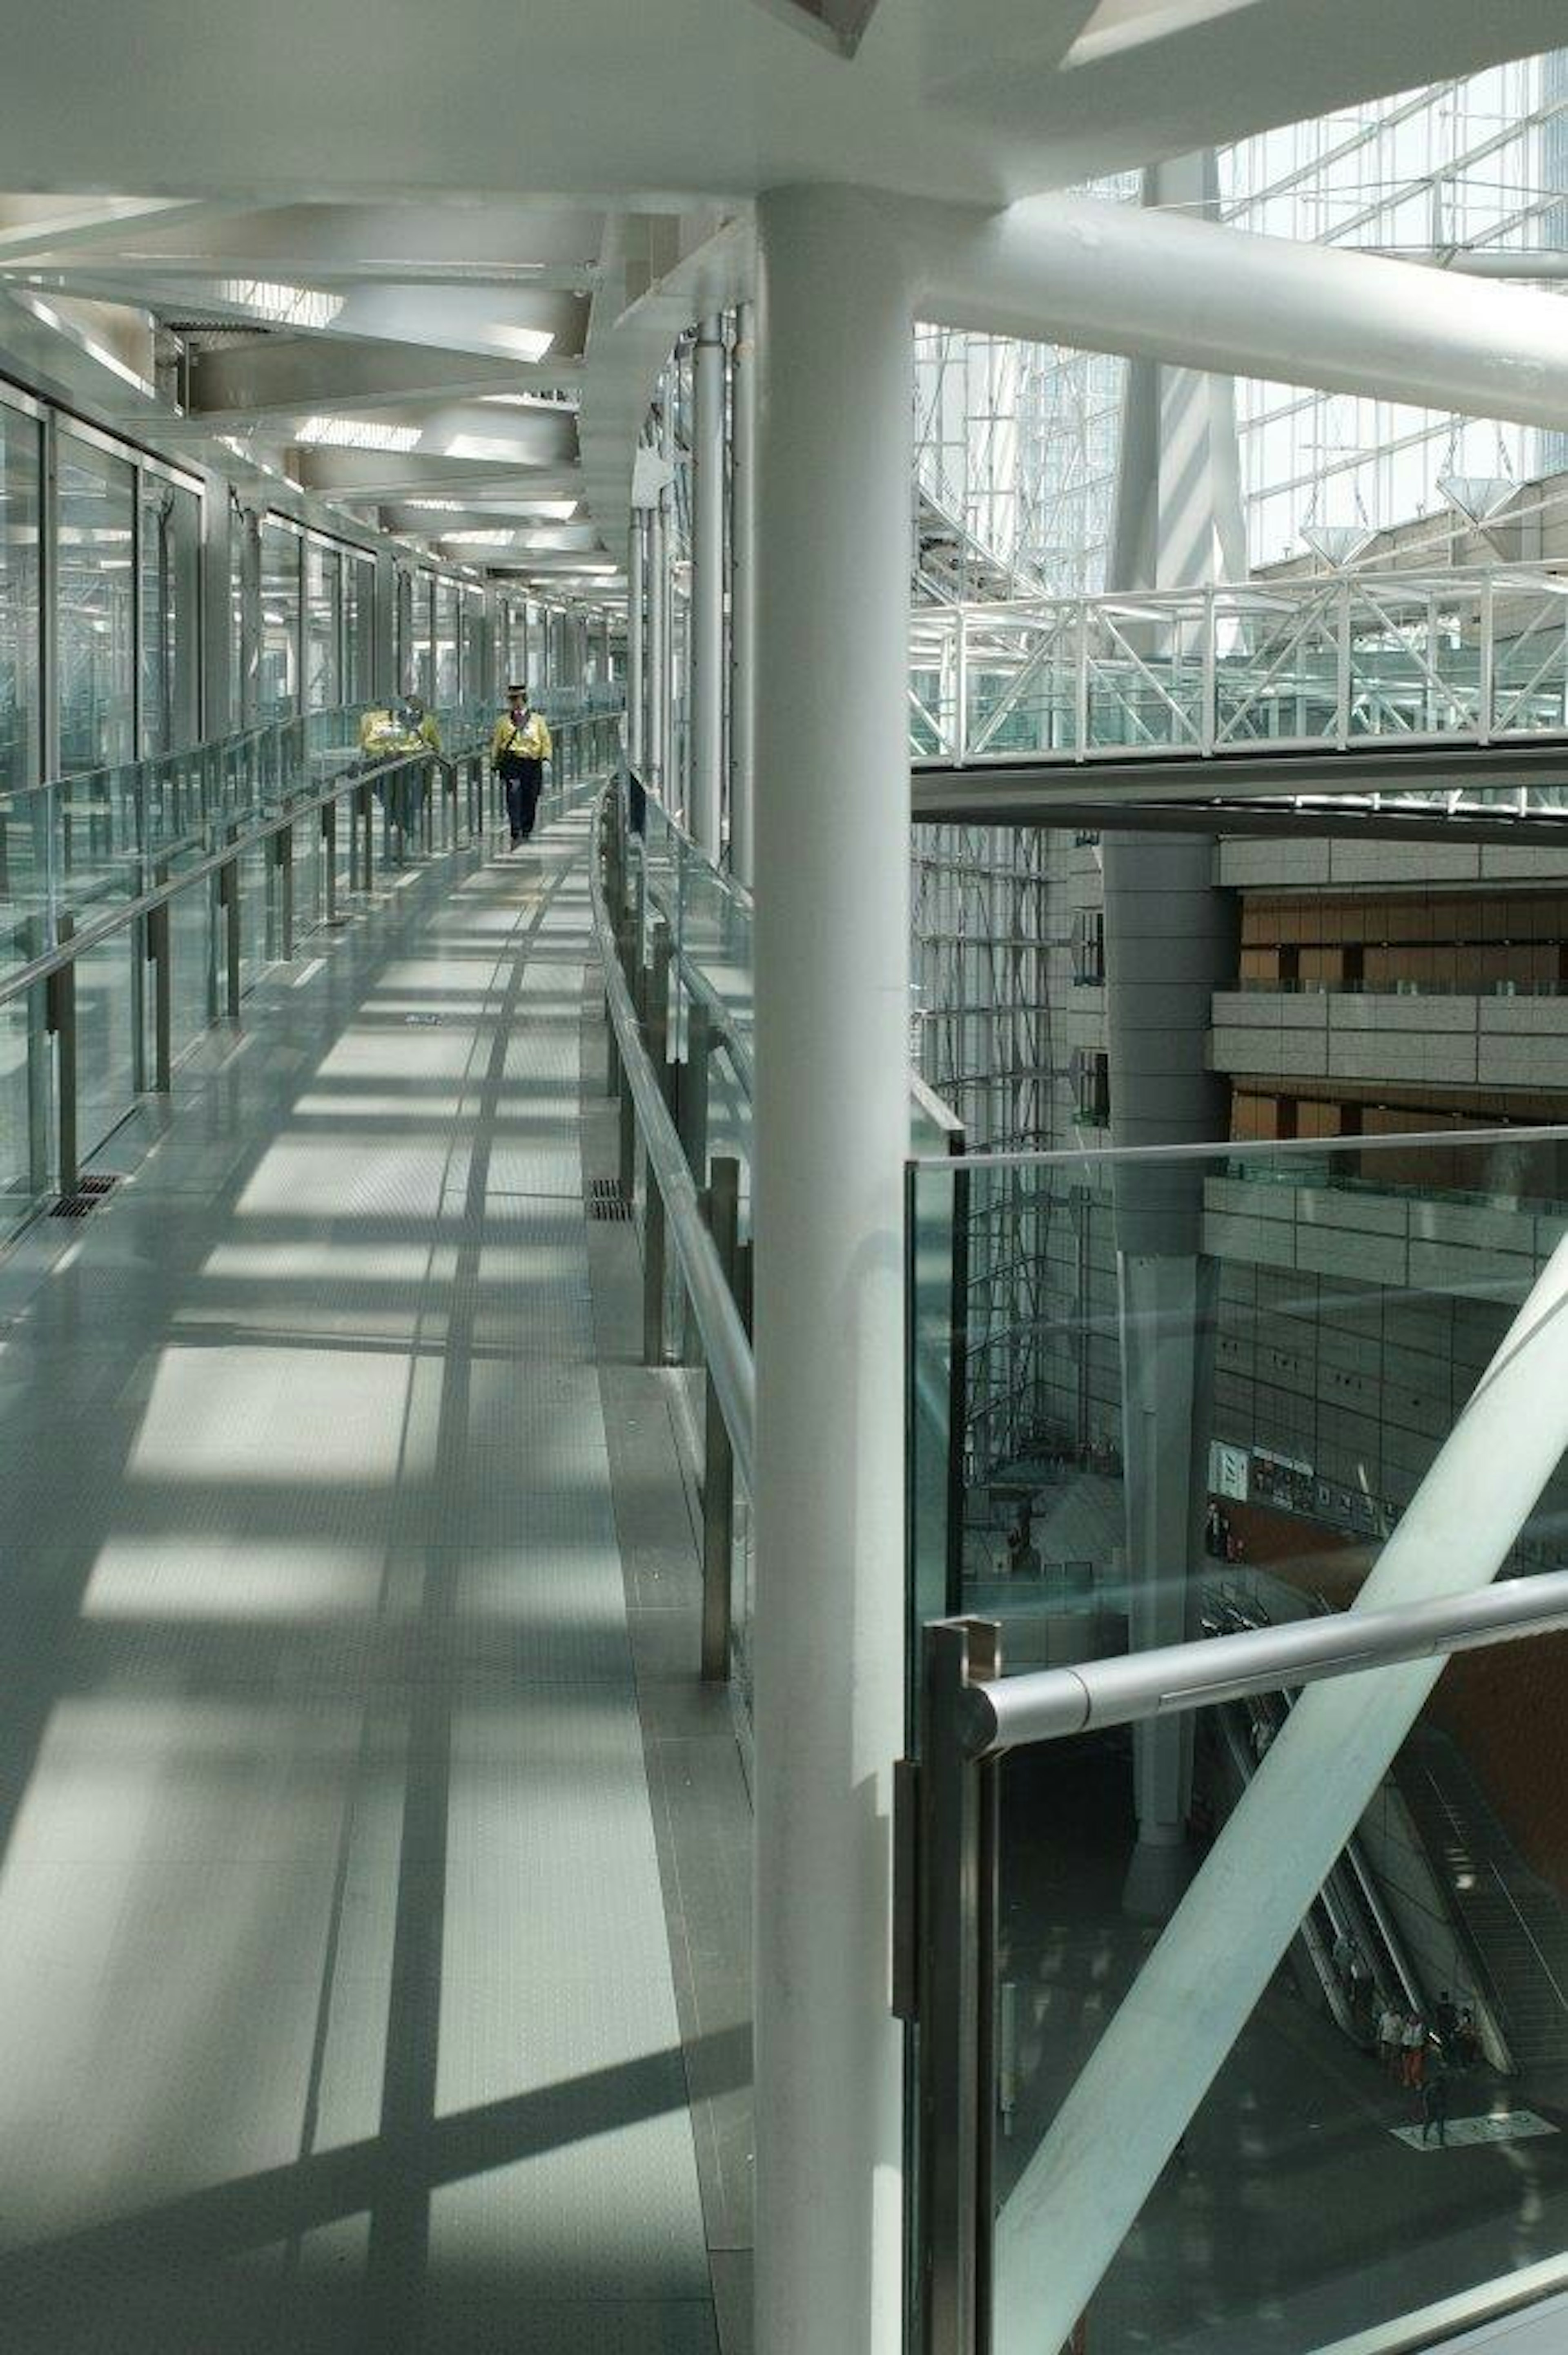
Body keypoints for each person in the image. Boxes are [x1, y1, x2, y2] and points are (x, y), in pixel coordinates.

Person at [491, 682, 552, 847]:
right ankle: (516, 828)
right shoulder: (503, 721)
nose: (514, 702)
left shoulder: (538, 720)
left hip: (532, 763)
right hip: (513, 762)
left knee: (531, 796)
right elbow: (497, 743)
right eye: (511, 699)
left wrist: (546, 759)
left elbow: (546, 741)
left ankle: (527, 827)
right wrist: (494, 762)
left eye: (517, 699)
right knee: (514, 794)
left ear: (524, 699)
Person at [1420, 2059, 1449, 2148]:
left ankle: (1440, 2140)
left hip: (1438, 2107)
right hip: (1433, 2107)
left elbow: (1445, 2098)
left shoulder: (1439, 2088)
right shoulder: (1431, 2088)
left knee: (1439, 2124)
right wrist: (1426, 2109)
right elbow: (1425, 2099)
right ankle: (1425, 2137)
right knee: (1430, 2124)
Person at [1378, 2000, 1403, 2077]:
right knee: (1384, 2056)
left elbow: (1402, 2030)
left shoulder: (1399, 2019)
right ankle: (1383, 2068)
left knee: (1393, 2058)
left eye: (1393, 2009)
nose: (1392, 2010)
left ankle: (1391, 2072)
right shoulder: (1384, 2016)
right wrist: (1378, 2036)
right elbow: (1381, 2027)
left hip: (1395, 2041)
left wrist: (1401, 2041)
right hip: (1385, 2039)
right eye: (1390, 2008)